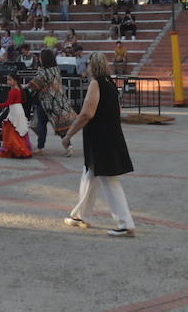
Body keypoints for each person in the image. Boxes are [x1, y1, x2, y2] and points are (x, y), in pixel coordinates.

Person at [61, 52, 135, 237]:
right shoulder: (110, 83)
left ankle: (126, 224)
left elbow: (87, 113)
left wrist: (68, 135)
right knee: (89, 176)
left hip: (102, 140)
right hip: (107, 137)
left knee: (109, 181)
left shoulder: (96, 83)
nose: (87, 68)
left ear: (93, 66)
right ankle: (81, 216)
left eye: (88, 65)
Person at [30, 49, 76, 157]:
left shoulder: (43, 72)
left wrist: (24, 86)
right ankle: (69, 146)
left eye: (40, 57)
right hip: (58, 102)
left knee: (41, 124)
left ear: (44, 59)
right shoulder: (56, 69)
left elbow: (34, 84)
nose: (39, 59)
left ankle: (40, 147)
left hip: (46, 102)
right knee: (60, 126)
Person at [0, 71, 32, 159]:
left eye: (9, 80)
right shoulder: (19, 89)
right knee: (17, 129)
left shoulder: (13, 91)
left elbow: (8, 103)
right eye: (7, 80)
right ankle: (18, 148)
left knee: (12, 130)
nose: (8, 81)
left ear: (15, 81)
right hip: (19, 110)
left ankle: (17, 149)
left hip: (14, 111)